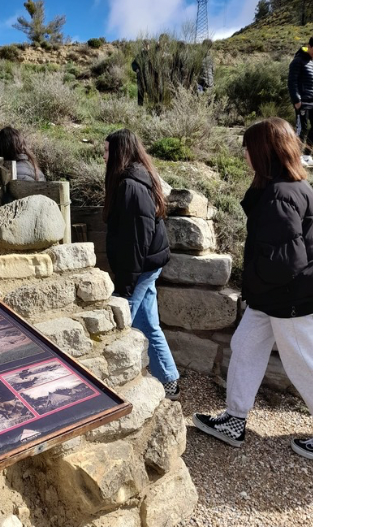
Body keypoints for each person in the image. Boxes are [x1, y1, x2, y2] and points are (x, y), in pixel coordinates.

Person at [192, 117, 313, 460]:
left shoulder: (280, 194)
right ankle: (234, 419)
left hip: (289, 299)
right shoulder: (289, 188)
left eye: (247, 147)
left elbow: (287, 262)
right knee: (245, 347)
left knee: (305, 364)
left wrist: (258, 279)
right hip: (273, 298)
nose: (244, 153)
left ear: (264, 151)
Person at [102, 129, 180, 400]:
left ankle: (110, 385)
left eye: (107, 150)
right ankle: (169, 381)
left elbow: (136, 240)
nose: (103, 156)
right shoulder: (135, 179)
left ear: (120, 152)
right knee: (148, 323)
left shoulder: (131, 186)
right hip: (147, 265)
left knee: (118, 327)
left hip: (140, 268)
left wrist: (126, 284)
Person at [288, 37, 313, 156]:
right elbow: (292, 81)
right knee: (302, 129)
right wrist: (296, 100)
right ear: (310, 46)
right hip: (302, 102)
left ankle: (308, 156)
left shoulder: (313, 62)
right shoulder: (298, 61)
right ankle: (295, 156)